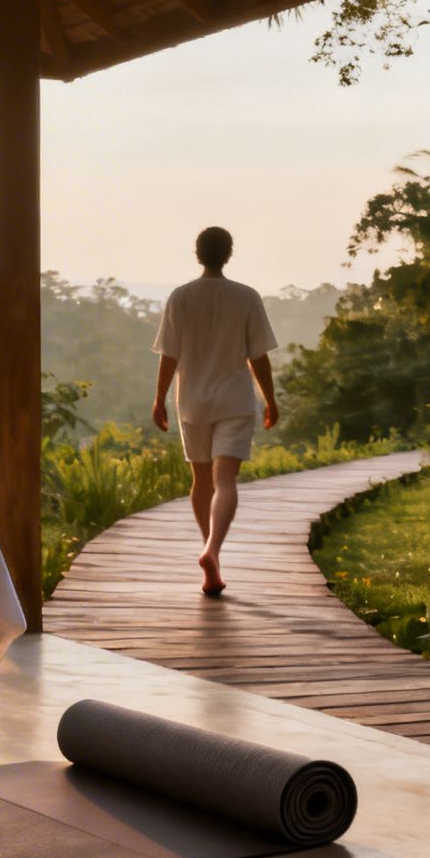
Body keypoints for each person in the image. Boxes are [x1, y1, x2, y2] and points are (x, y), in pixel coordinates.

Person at [150, 227, 279, 597]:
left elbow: (169, 357)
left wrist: (158, 399)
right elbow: (259, 357)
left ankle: (211, 555)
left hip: (192, 401)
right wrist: (270, 400)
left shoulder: (180, 297)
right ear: (229, 253)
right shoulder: (246, 297)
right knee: (226, 482)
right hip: (235, 400)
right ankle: (213, 551)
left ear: (197, 253)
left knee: (201, 481)